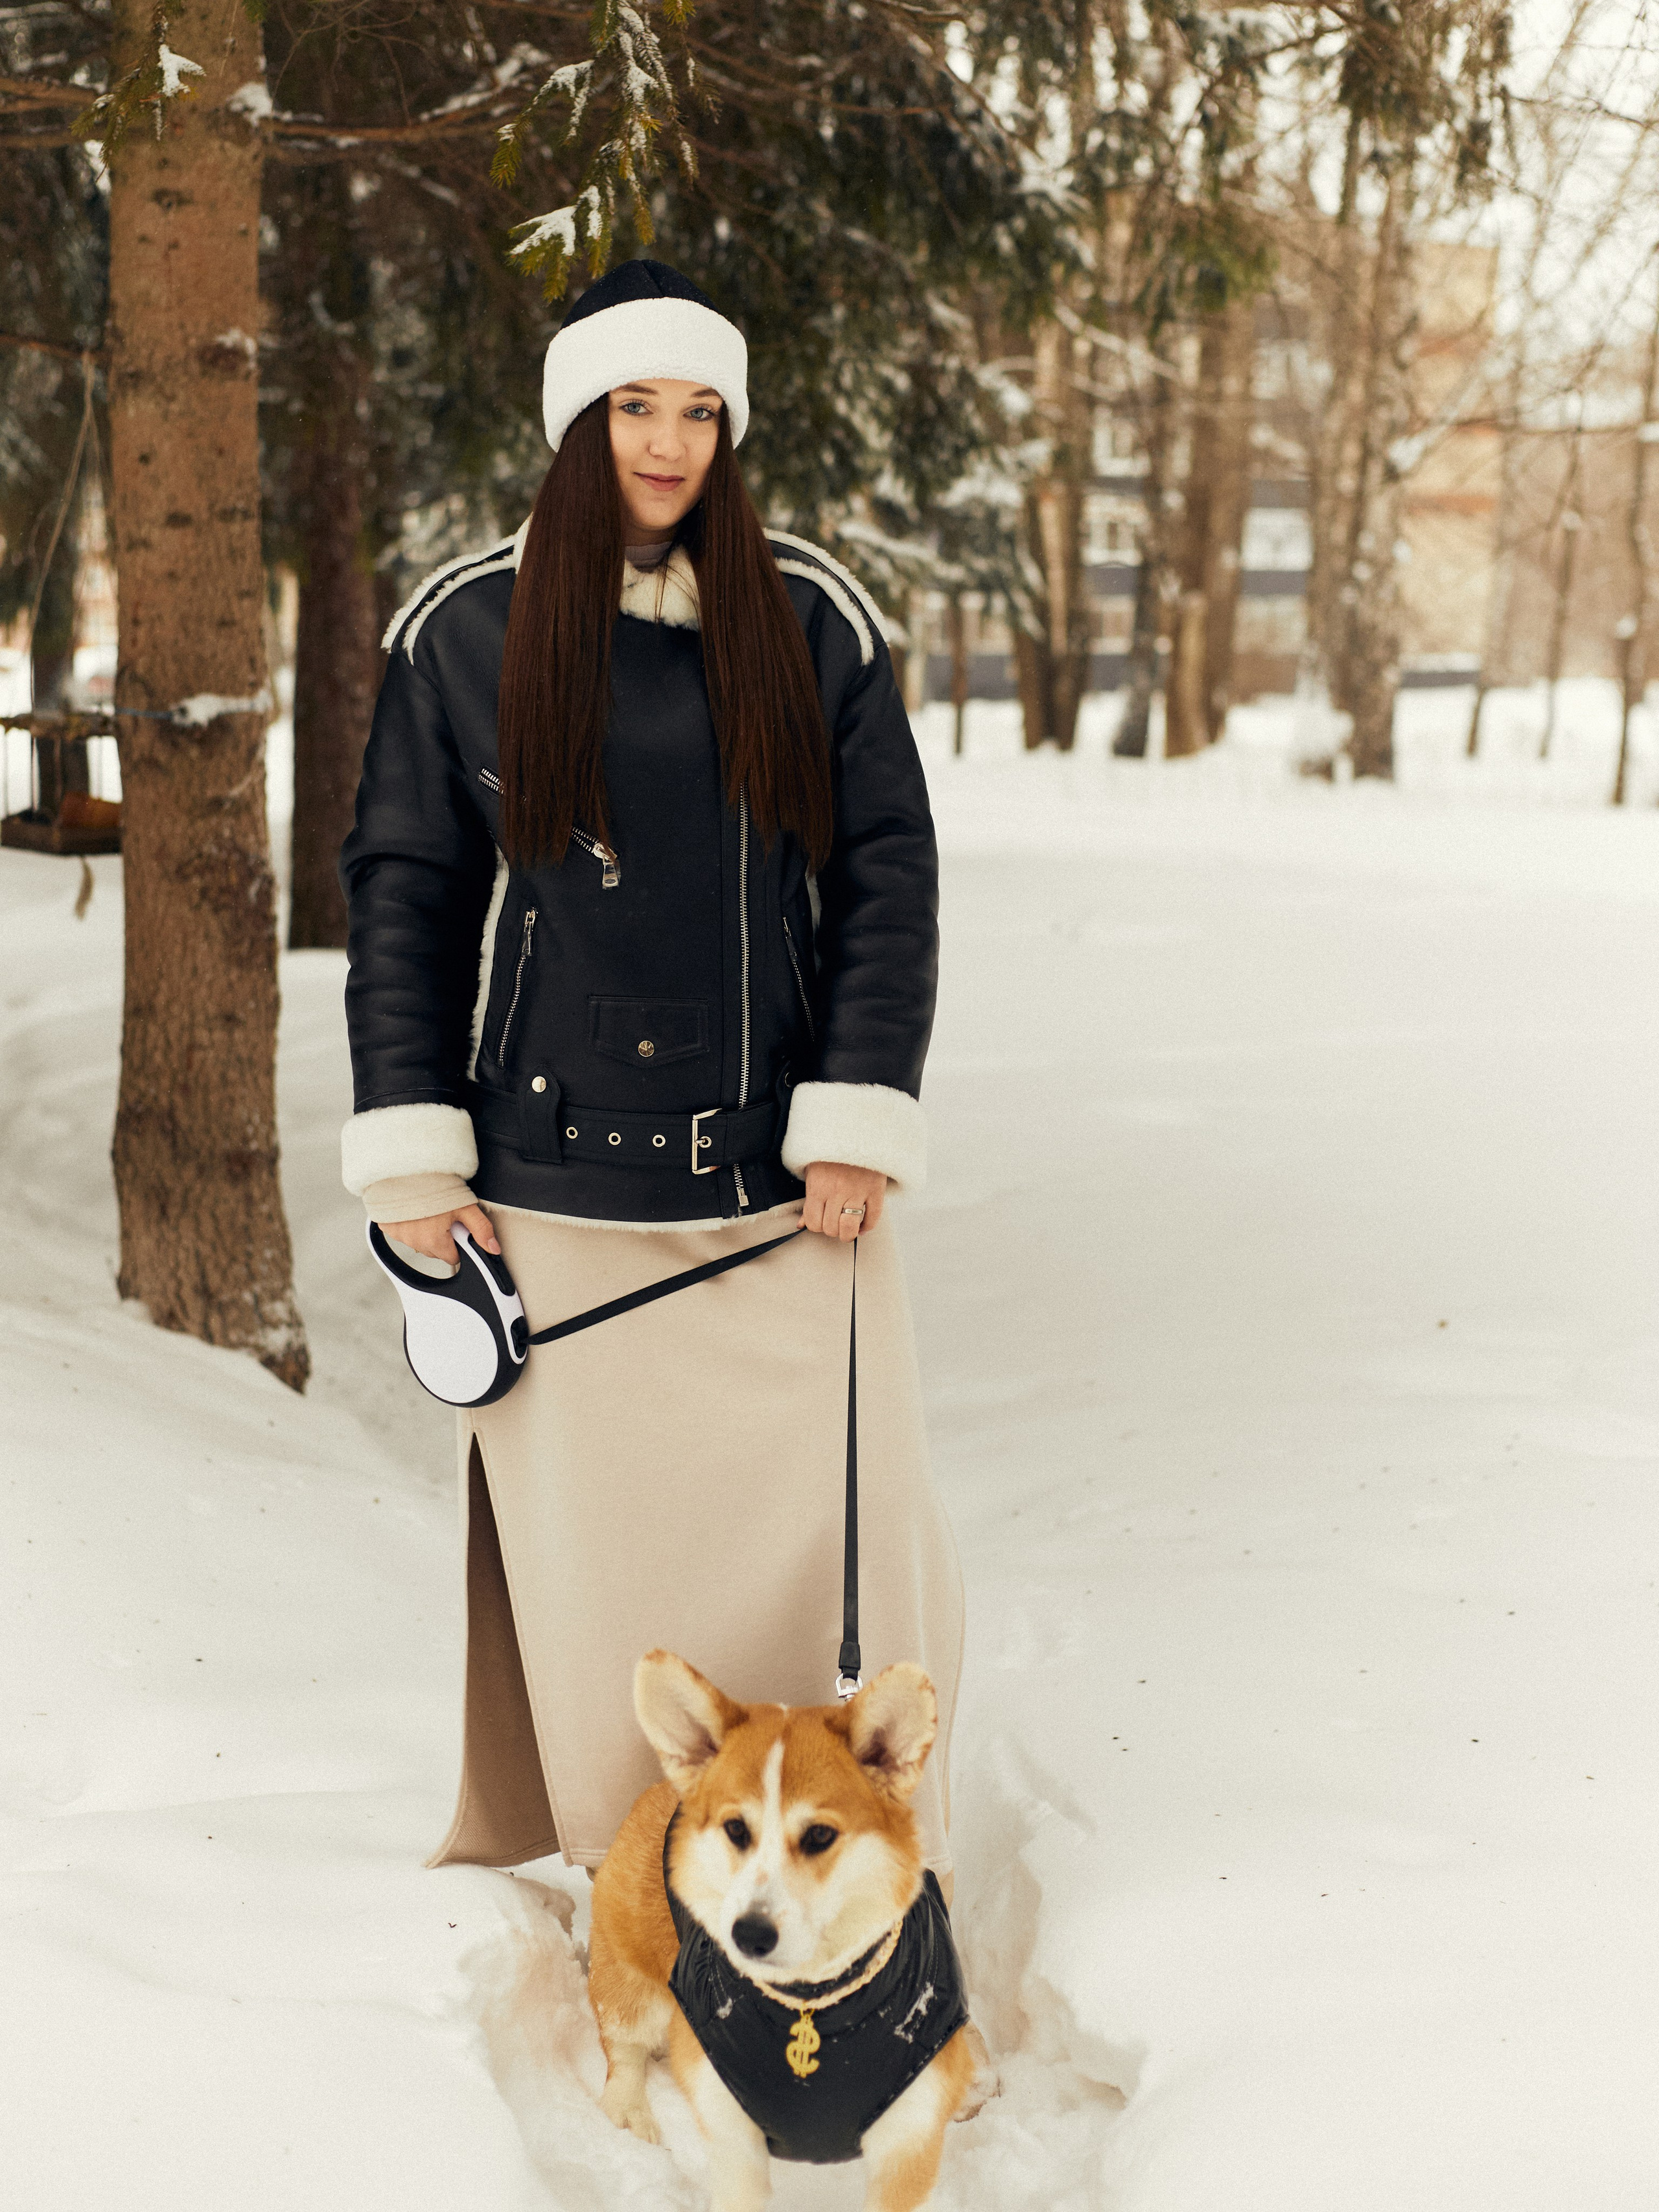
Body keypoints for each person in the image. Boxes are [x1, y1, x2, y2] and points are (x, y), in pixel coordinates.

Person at [339, 258, 962, 1883]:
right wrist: (415, 1172)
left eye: (698, 410)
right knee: (602, 1598)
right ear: (576, 421)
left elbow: (888, 872)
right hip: (554, 1195)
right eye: (634, 407)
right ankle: (636, 1891)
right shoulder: (461, 628)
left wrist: (852, 1123)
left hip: (788, 1198)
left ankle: (859, 1885)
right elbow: (405, 894)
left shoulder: (812, 618)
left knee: (841, 1567)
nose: (669, 443)